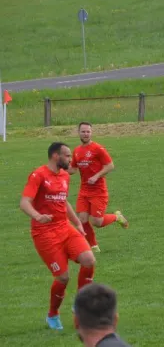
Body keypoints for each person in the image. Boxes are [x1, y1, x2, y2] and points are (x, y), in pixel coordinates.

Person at [20, 142, 97, 330]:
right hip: (44, 233)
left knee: (89, 260)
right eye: (68, 156)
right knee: (63, 278)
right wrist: (38, 216)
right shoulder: (38, 175)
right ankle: (52, 315)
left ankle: (80, 304)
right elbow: (24, 202)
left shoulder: (64, 176)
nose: (71, 160)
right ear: (56, 156)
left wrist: (77, 223)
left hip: (65, 227)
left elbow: (63, 202)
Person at [69, 122, 128, 253]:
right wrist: (60, 167)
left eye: (88, 132)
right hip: (84, 191)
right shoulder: (77, 151)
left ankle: (116, 217)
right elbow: (72, 169)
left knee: (97, 222)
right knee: (82, 219)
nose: (85, 134)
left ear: (91, 133)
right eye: (83, 131)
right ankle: (94, 246)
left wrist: (96, 176)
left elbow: (110, 165)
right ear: (78, 132)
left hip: (98, 191)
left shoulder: (98, 148)